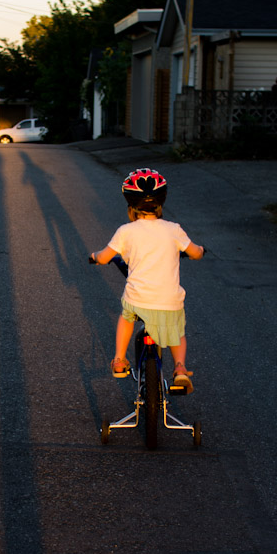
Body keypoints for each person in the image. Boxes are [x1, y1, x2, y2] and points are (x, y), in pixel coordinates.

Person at [89, 168, 205, 392]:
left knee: (127, 317)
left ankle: (120, 360)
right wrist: (200, 250)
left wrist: (95, 257)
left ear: (131, 207)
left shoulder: (126, 231)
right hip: (169, 301)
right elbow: (195, 253)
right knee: (177, 330)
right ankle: (180, 369)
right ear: (161, 203)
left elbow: (104, 257)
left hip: (138, 299)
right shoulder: (174, 230)